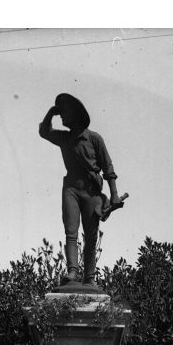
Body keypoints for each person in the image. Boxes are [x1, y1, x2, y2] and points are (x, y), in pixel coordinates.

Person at [39, 93, 122, 288]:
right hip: (71, 189)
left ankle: (90, 277)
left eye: (64, 113)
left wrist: (114, 194)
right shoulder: (63, 137)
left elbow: (108, 168)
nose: (62, 117)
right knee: (71, 230)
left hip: (92, 191)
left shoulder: (94, 138)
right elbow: (44, 131)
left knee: (91, 235)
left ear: (75, 114)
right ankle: (72, 271)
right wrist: (51, 111)